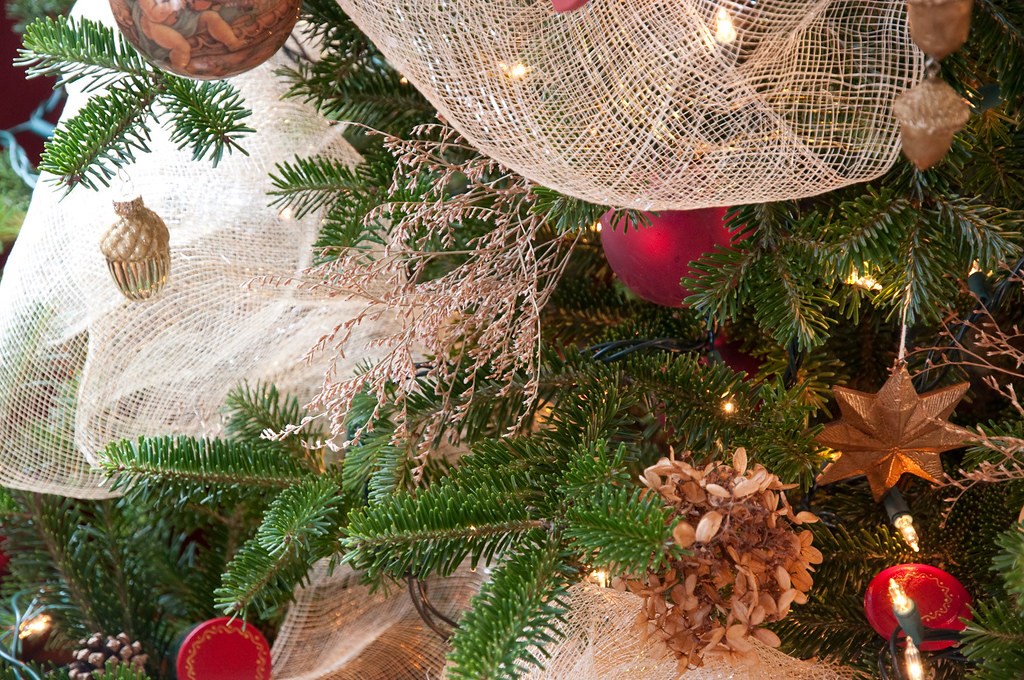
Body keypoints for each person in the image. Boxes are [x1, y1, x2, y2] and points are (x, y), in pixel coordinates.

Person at [133, 0, 246, 71]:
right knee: (181, 46)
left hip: (184, 20)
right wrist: (173, 4)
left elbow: (195, 6)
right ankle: (179, 69)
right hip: (157, 26)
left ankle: (232, 42)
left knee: (211, 17)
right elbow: (154, 15)